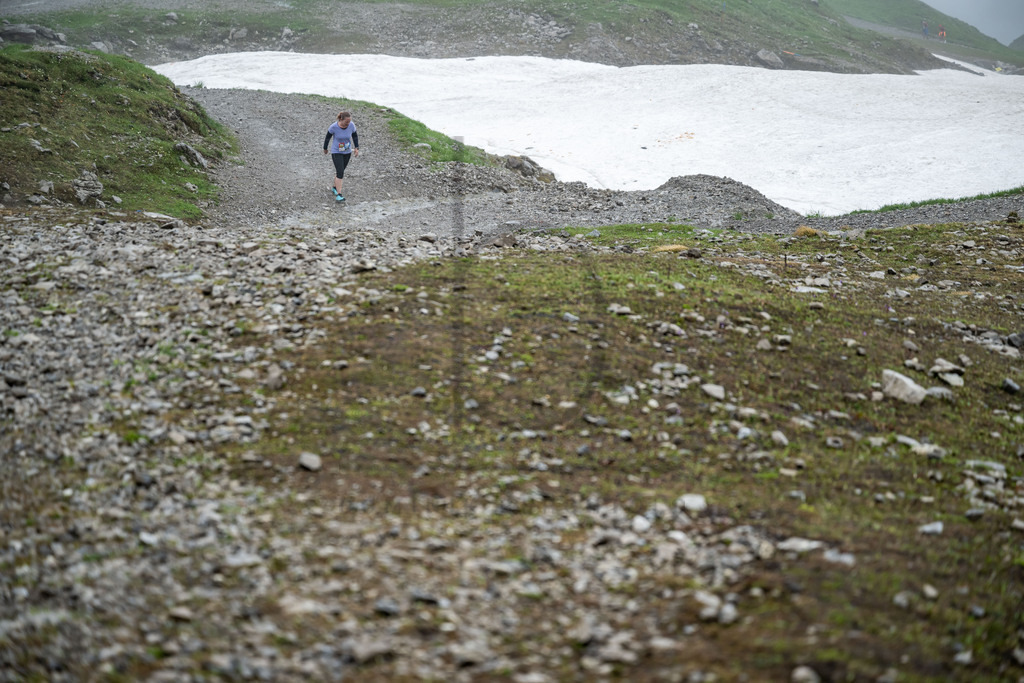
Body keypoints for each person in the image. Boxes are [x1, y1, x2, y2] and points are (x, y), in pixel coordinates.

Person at [323, 110, 360, 202]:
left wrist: (356, 147)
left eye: (349, 121)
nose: (348, 123)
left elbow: (355, 136)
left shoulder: (351, 125)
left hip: (347, 152)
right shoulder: (333, 127)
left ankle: (335, 187)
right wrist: (325, 148)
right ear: (341, 119)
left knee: (341, 171)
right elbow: (327, 138)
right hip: (336, 152)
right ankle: (339, 195)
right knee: (340, 173)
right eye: (346, 122)